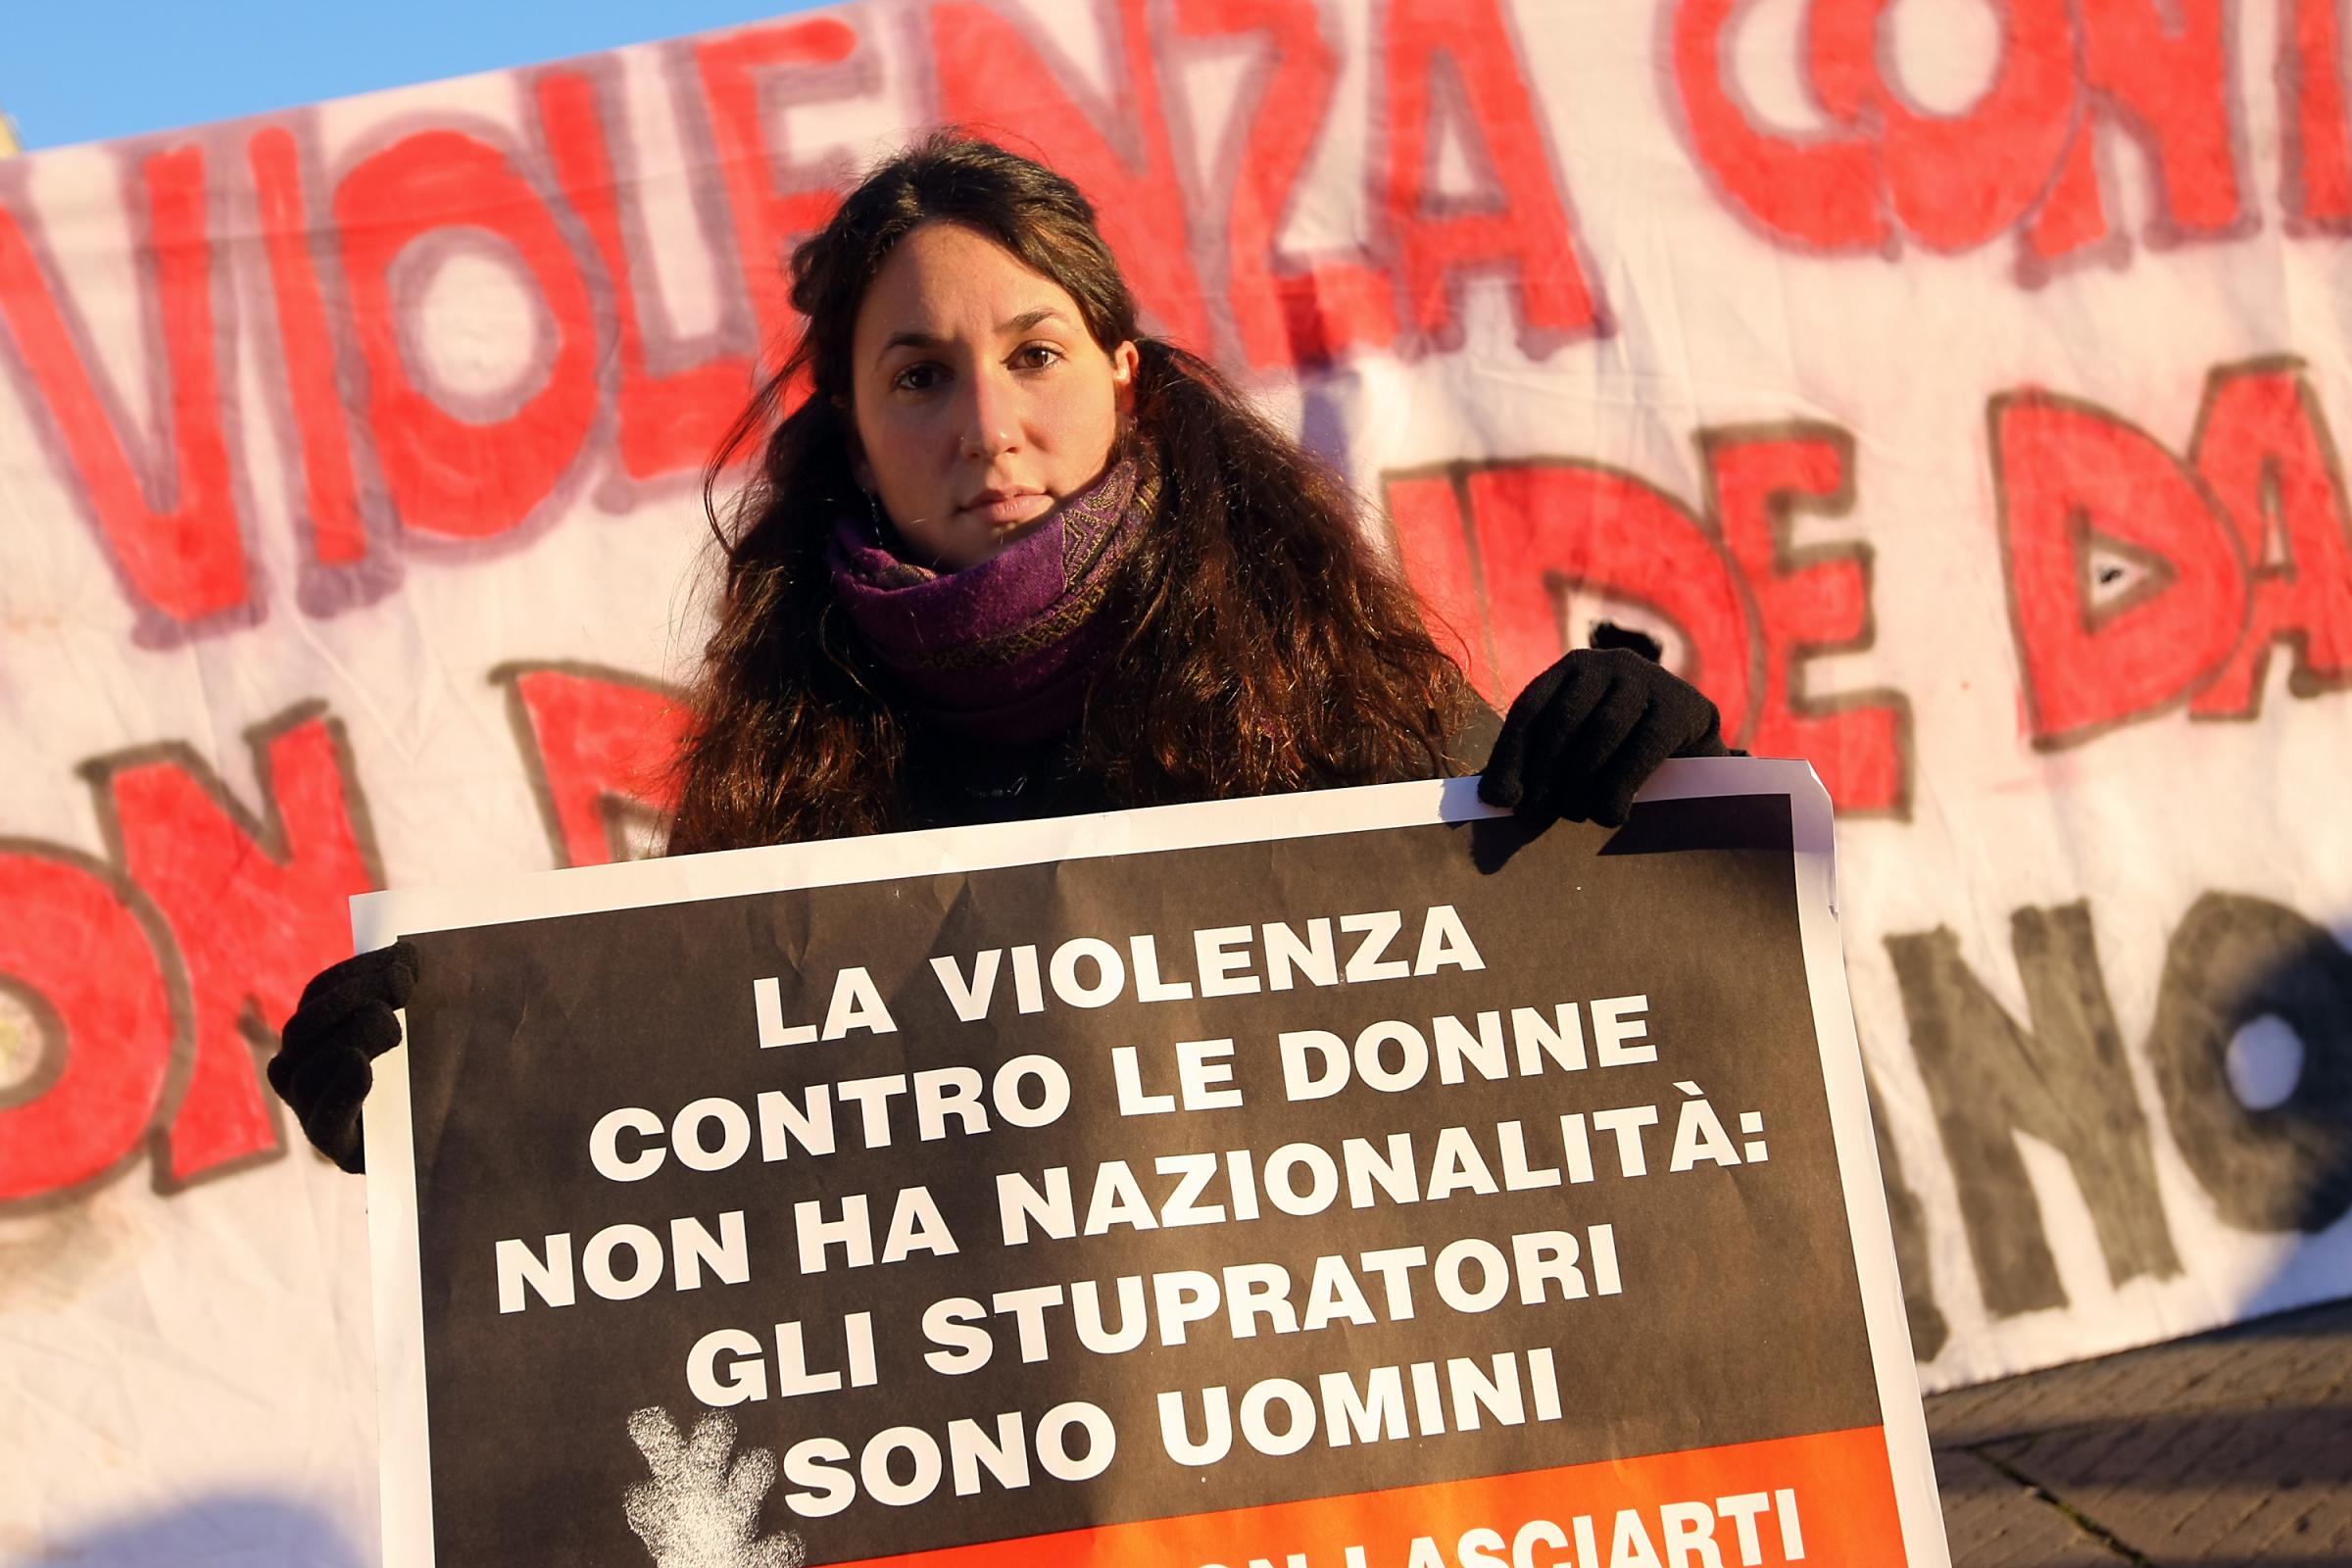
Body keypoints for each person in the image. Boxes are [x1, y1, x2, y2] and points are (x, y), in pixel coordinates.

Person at [268, 132, 1729, 1172]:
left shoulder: (1326, 677)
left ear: (1124, 381)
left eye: (1034, 354)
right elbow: (687, 1168)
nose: (987, 426)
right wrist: (446, 1107)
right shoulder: (785, 792)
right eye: (919, 377)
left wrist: (1662, 767)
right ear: (854, 434)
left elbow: (1613, 1001)